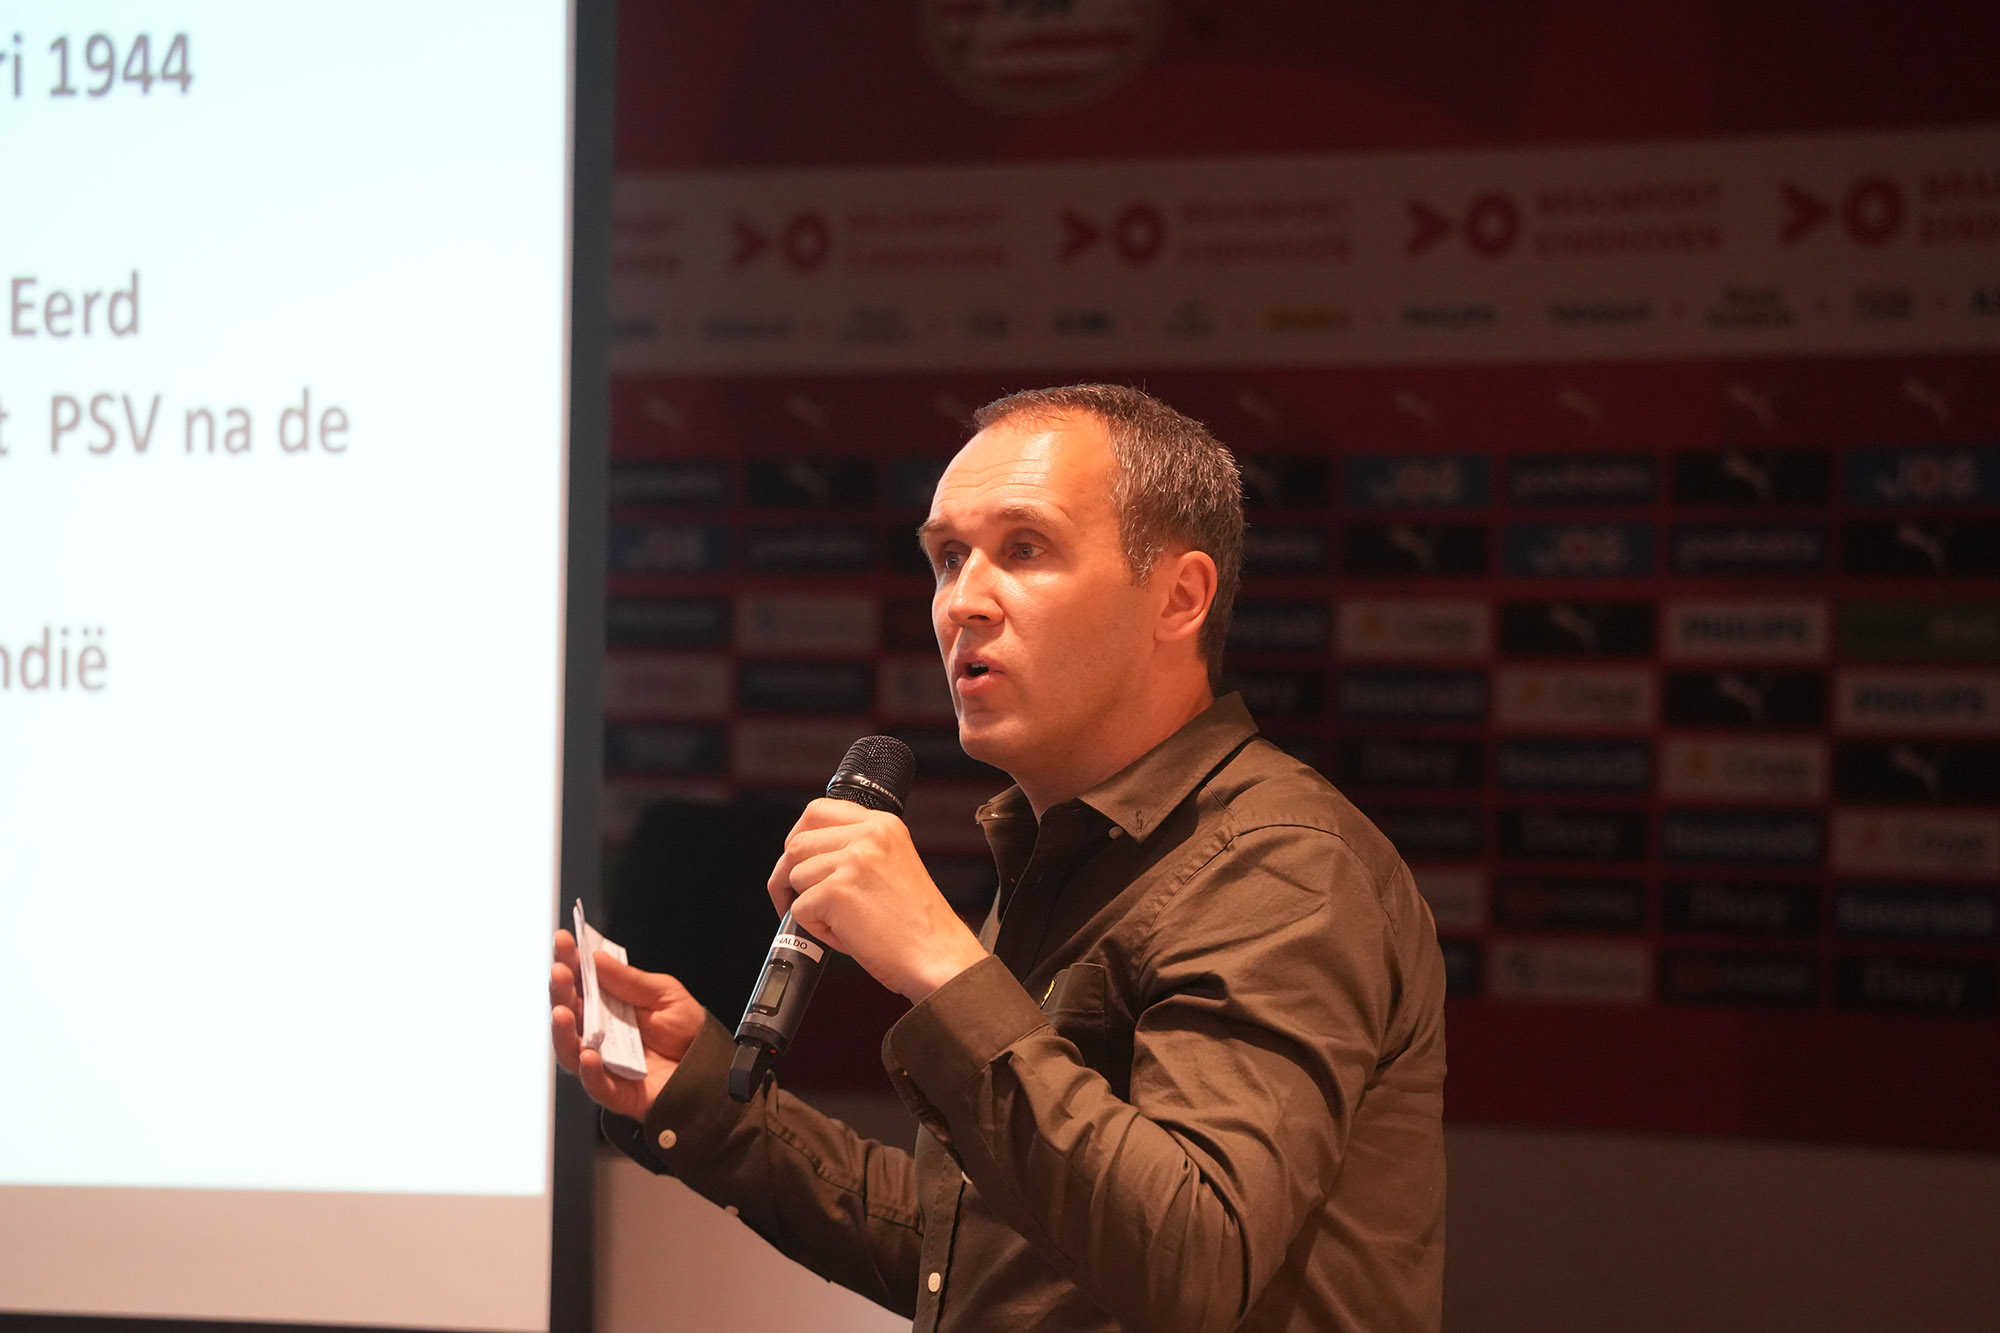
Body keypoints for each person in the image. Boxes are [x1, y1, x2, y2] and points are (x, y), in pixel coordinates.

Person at [551, 384, 1446, 1331]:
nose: (962, 602)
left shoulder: (1283, 864)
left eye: (1024, 549)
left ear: (1179, 597)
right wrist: (698, 1095)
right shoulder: (1061, 850)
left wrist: (941, 962)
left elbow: (1195, 1256)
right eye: (946, 558)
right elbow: (972, 1259)